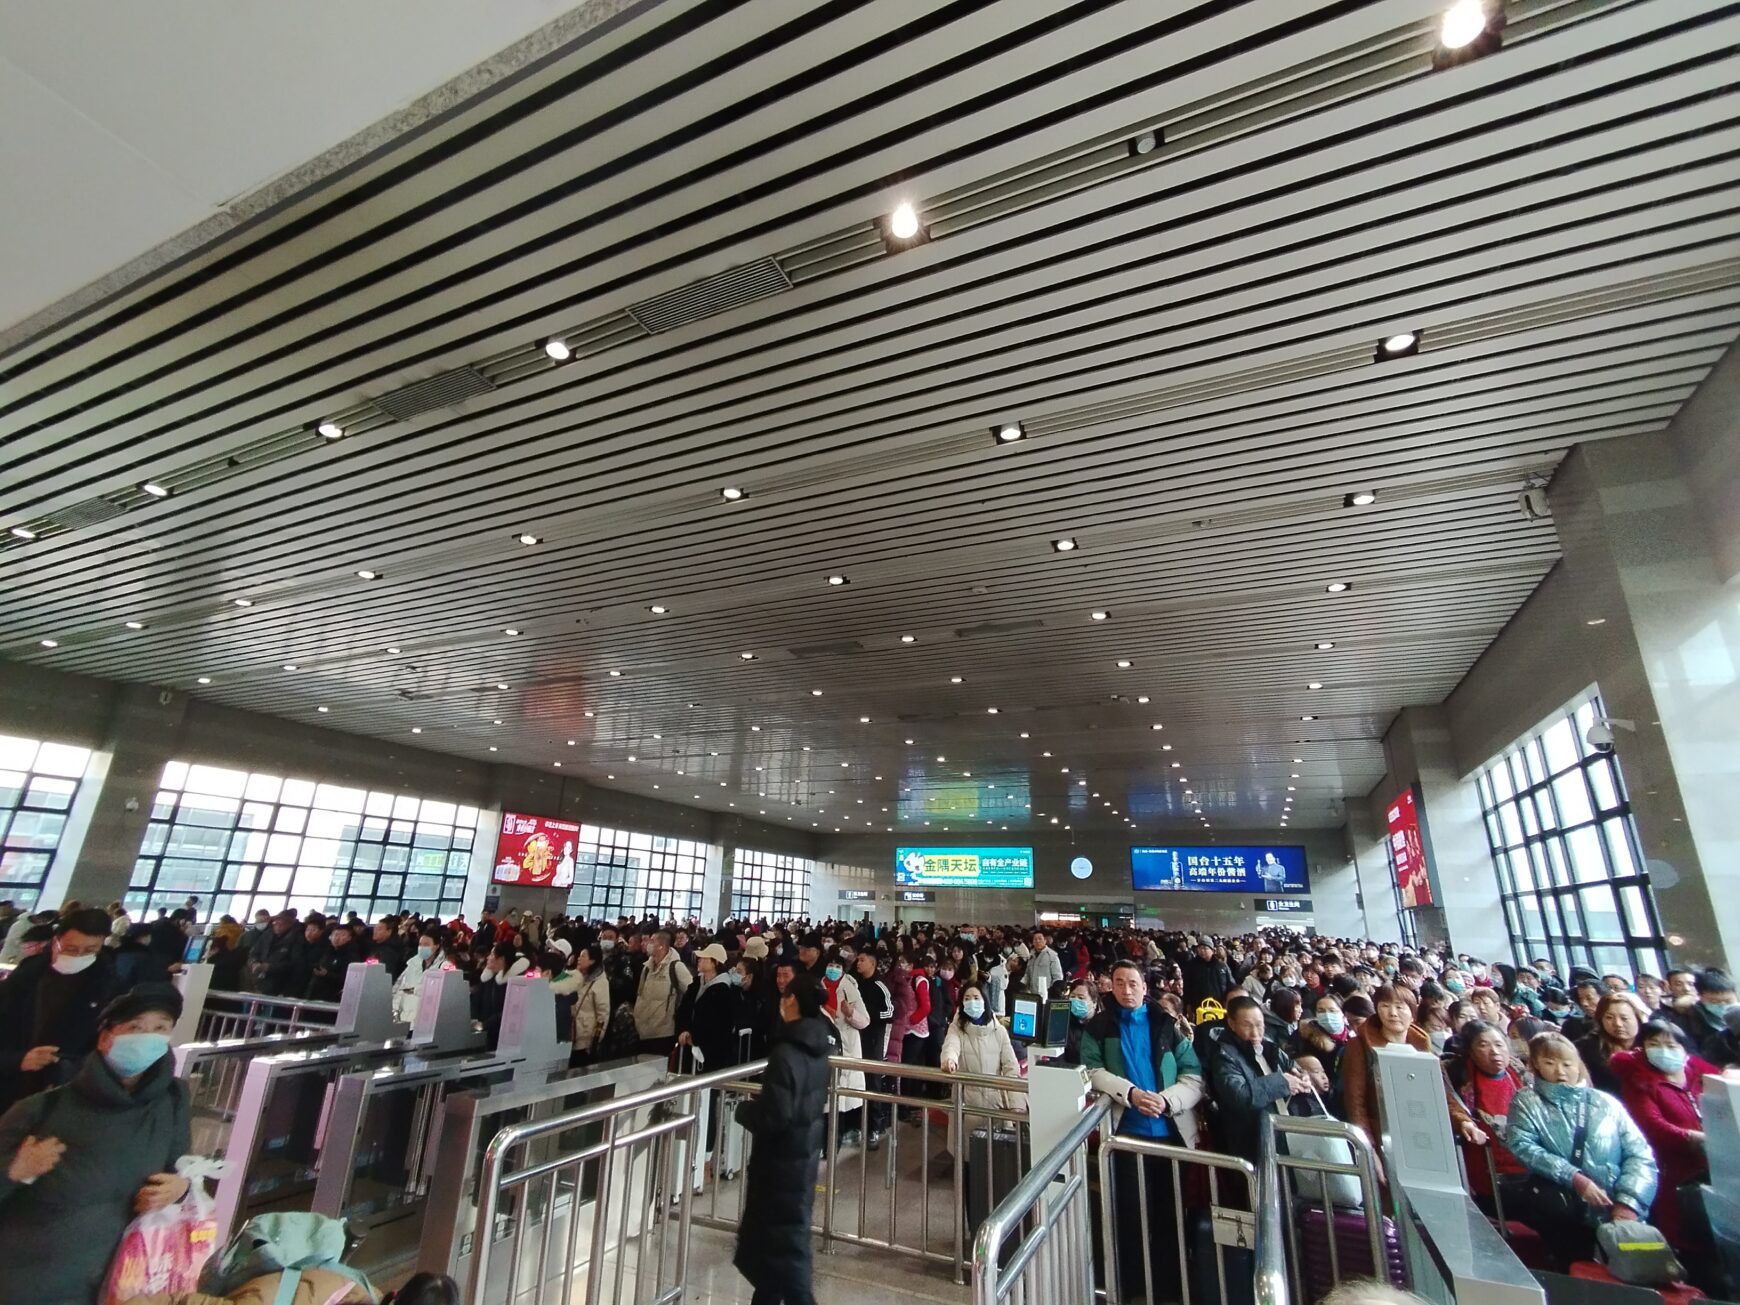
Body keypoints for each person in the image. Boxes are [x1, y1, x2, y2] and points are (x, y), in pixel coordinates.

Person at [0, 986, 192, 1305]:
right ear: (105, 1039)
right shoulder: (40, 1109)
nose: (148, 1037)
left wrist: (180, 1189)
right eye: (135, 1027)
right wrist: (14, 1172)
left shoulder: (173, 1102)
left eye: (161, 1027)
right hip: (26, 1281)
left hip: (123, 1280)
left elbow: (185, 1172)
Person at [1079, 959, 1205, 1304]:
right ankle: (1131, 1286)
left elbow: (1193, 1074)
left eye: (1133, 983)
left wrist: (1167, 1101)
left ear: (1145, 987)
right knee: (1129, 1216)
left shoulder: (1166, 1025)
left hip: (1169, 1137)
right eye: (1119, 983)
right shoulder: (1099, 1027)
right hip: (1125, 1137)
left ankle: (1170, 1287)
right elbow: (1091, 1069)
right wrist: (1130, 1093)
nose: (1126, 990)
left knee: (1170, 1215)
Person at [1506, 1031, 1657, 1268]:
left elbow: (1640, 1154)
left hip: (1620, 1212)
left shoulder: (1606, 1102)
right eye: (1549, 1063)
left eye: (1567, 1064)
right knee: (1577, 1271)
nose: (1560, 1071)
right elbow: (1522, 1145)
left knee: (1634, 1274)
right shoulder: (1527, 1100)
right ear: (1536, 1065)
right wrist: (1574, 1177)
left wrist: (1629, 1202)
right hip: (1566, 1213)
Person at [734, 972, 830, 1305]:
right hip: (802, 1159)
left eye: (785, 995)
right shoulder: (819, 1048)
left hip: (779, 1167)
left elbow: (774, 1117)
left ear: (792, 1001)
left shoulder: (786, 1053)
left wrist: (743, 1111)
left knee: (788, 1263)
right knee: (778, 1260)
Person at [1341, 985, 1484, 1173]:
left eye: (1400, 1007)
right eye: (1385, 1006)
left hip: (1423, 1136)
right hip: (1383, 1138)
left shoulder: (1423, 1045)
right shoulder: (1359, 1046)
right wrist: (1369, 1149)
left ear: (1412, 1012)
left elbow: (1442, 1093)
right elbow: (1355, 1103)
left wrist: (1463, 1121)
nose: (1392, 1013)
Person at [0, 908, 123, 1110]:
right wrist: (17, 1061)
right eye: (71, 949)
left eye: (90, 950)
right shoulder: (27, 976)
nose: (79, 956)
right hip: (10, 1083)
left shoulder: (108, 987)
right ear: (56, 941)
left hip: (62, 1093)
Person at [1610, 1020, 1716, 1251]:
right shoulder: (1638, 1080)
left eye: (1670, 1045)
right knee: (1688, 1237)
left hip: (1718, 1168)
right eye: (1654, 1044)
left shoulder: (1703, 1075)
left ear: (1685, 1049)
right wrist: (1696, 1139)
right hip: (1674, 1173)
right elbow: (1653, 1126)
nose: (1663, 1051)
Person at [1211, 994, 1314, 1165]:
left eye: (1259, 1025)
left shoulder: (1269, 1047)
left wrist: (1303, 1077)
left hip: (1286, 1131)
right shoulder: (1224, 1057)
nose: (1255, 1033)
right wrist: (1282, 1082)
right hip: (1254, 1139)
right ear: (1231, 1024)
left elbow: (1292, 1066)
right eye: (1247, 1026)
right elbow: (1240, 1095)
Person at [1446, 1020, 1527, 1214]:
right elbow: (1451, 1106)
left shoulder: (1521, 1075)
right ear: (1470, 1051)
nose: (1495, 1051)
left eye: (1499, 1044)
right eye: (1483, 1045)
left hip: (1524, 1167)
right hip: (1484, 1170)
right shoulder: (1459, 1077)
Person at [1574, 991, 1648, 1095]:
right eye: (1609, 1018)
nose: (1617, 1024)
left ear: (1638, 1018)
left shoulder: (1652, 1041)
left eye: (1624, 1018)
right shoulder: (1586, 1048)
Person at [632, 931, 692, 1058]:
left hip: (664, 1032)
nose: (647, 944)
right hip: (643, 1030)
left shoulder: (676, 967)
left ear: (661, 946)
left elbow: (690, 992)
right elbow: (640, 994)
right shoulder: (647, 968)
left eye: (652, 941)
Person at [557, 944, 612, 1067]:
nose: (579, 958)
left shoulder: (600, 983)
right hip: (570, 1034)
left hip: (586, 1038)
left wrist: (597, 1039)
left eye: (583, 956)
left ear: (592, 961)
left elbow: (603, 1013)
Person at [392, 929, 446, 1026]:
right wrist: (394, 1009)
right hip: (404, 1019)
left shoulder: (443, 967)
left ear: (437, 946)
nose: (422, 948)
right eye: (420, 944)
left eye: (426, 944)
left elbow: (440, 993)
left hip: (426, 1021)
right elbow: (399, 988)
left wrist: (415, 990)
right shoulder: (412, 964)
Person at [1026, 930, 1064, 998]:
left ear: (1045, 941)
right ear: (1032, 942)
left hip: (1047, 993)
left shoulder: (1052, 955)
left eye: (1040, 939)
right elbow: (1027, 974)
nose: (1037, 941)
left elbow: (1058, 977)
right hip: (1032, 993)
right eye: (1035, 939)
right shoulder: (1031, 956)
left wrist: (1053, 992)